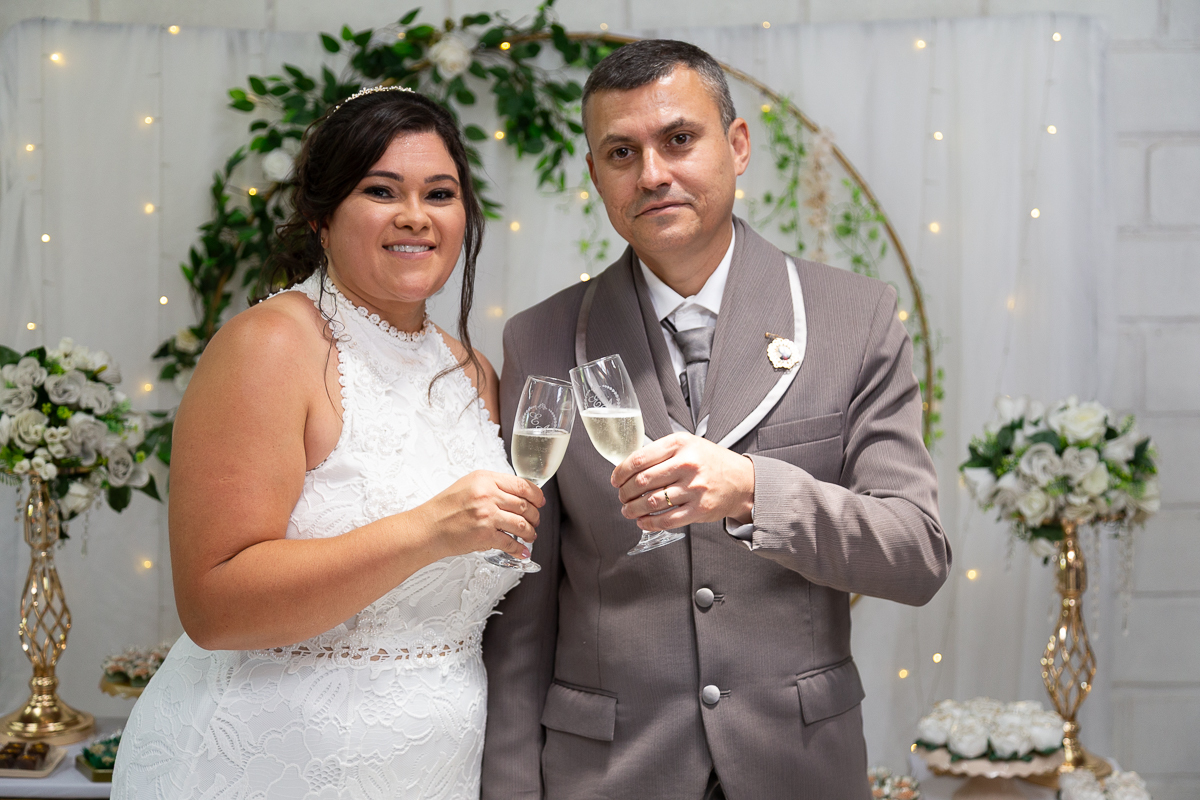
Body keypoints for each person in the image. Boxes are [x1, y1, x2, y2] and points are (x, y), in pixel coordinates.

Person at [481, 40, 950, 800]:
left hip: (798, 768)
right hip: (606, 775)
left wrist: (755, 491)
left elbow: (916, 555)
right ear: (596, 176)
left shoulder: (854, 317)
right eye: (621, 152)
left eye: (678, 139)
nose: (653, 174)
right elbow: (521, 611)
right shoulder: (538, 338)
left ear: (736, 146)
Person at [112, 86, 544, 799]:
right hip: (271, 763)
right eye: (381, 190)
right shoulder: (273, 344)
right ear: (321, 215)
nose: (415, 216)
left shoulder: (473, 373)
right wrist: (428, 530)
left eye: (440, 193)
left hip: (433, 769)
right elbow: (215, 609)